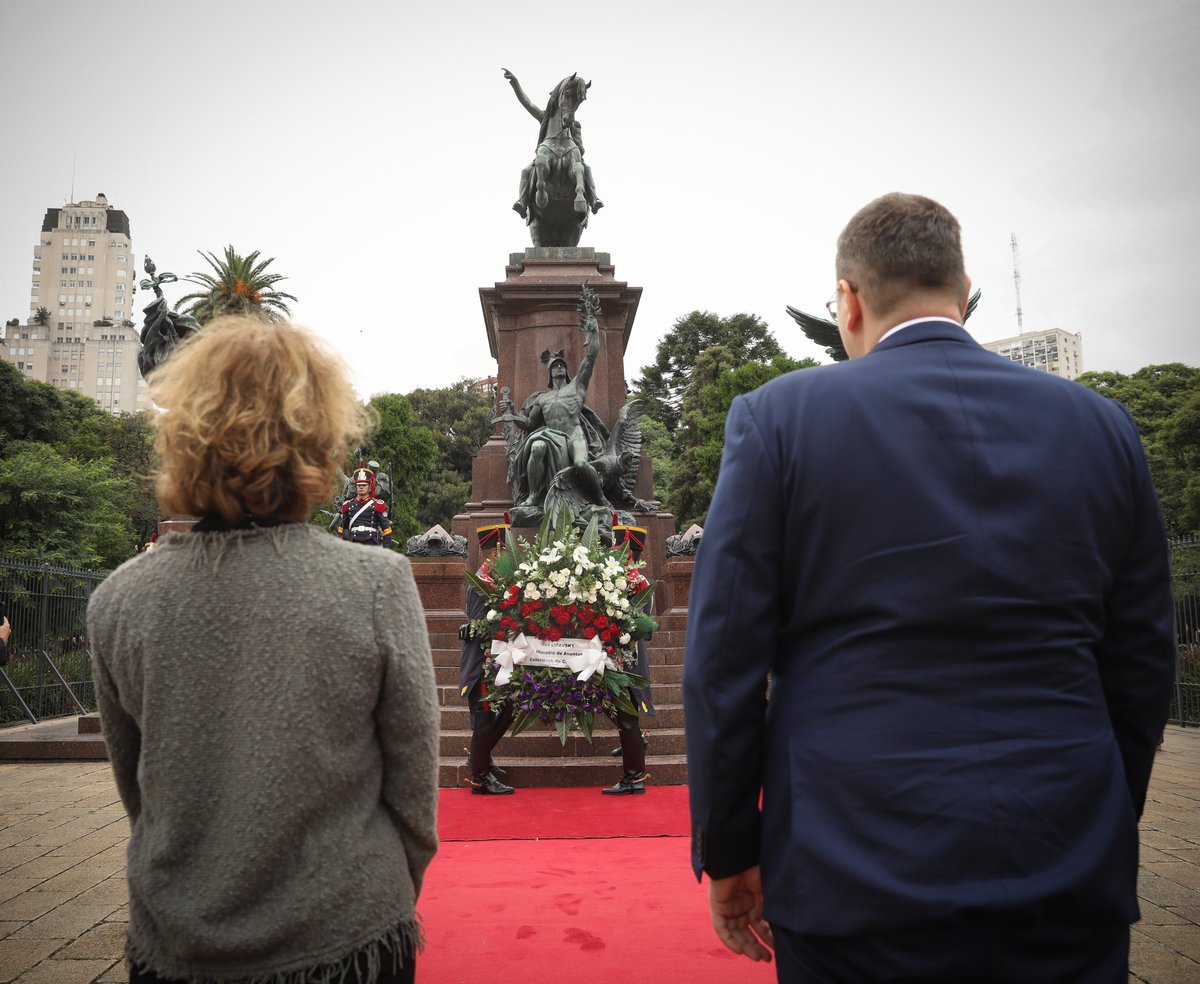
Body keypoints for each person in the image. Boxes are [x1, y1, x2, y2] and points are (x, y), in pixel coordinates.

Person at [683, 192, 1175, 983]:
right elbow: (1144, 662)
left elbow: (723, 666)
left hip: (853, 859)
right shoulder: (1101, 426)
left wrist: (733, 847)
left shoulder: (777, 420)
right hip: (1064, 851)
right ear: (966, 289)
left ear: (847, 301)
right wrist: (1102, 811)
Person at [86, 316, 439, 984]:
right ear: (320, 435)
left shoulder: (118, 601)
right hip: (349, 939)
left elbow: (140, 792)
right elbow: (414, 787)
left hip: (178, 942)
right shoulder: (374, 582)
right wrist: (382, 885)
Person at [460, 520, 516, 795]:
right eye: (504, 552)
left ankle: (482, 758)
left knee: (509, 708)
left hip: (498, 661)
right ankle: (480, 777)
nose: (506, 557)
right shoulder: (481, 583)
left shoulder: (497, 581)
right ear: (495, 552)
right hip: (483, 662)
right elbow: (479, 624)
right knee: (484, 719)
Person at [603, 523, 654, 794]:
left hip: (629, 660)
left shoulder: (640, 584)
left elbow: (640, 625)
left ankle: (633, 778)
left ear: (629, 554)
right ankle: (635, 743)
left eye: (617, 549)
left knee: (627, 715)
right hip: (612, 656)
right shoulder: (614, 578)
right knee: (618, 711)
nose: (612, 553)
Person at [337, 464, 393, 547]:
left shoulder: (378, 504)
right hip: (353, 544)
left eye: (364, 485)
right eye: (359, 485)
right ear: (356, 488)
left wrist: (385, 550)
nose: (361, 487)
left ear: (370, 488)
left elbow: (387, 530)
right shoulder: (347, 505)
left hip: (372, 545)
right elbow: (341, 529)